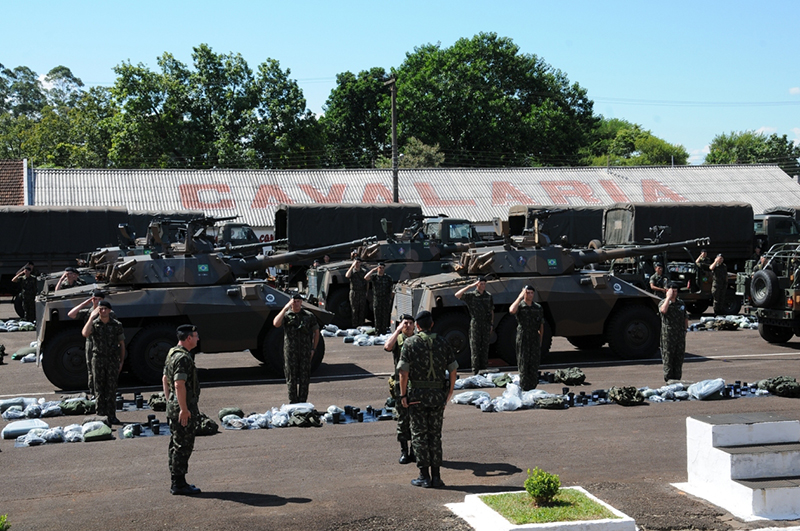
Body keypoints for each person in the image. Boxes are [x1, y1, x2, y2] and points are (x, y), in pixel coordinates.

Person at [397, 310, 457, 488]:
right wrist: (450, 391)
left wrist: (403, 395)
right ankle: (436, 476)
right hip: (438, 396)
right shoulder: (443, 342)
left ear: (417, 326)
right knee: (435, 435)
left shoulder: (410, 343)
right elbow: (453, 370)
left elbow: (403, 373)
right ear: (432, 324)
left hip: (417, 397)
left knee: (419, 435)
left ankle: (424, 475)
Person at [162, 324, 202, 496]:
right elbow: (178, 384)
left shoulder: (172, 353)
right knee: (183, 445)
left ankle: (178, 481)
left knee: (176, 444)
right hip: (182, 408)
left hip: (174, 405)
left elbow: (165, 378)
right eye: (195, 336)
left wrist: (169, 399)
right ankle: (178, 484)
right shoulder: (183, 358)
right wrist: (183, 409)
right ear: (188, 338)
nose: (198, 339)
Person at [81, 300, 125, 423]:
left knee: (111, 389)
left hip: (112, 360)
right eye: (101, 309)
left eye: (105, 308)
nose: (103, 311)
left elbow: (121, 344)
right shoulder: (94, 324)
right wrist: (91, 317)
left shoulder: (116, 325)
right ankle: (100, 415)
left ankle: (111, 415)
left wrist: (121, 361)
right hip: (98, 359)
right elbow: (85, 333)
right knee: (98, 389)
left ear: (110, 310)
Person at [273, 294, 320, 403]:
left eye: (299, 301)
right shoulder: (286, 315)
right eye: (294, 301)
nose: (297, 303)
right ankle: (293, 402)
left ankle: (303, 402)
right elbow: (276, 323)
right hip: (290, 352)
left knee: (304, 378)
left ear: (301, 302)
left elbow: (316, 332)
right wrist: (285, 308)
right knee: (291, 378)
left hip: (305, 352)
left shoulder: (308, 316)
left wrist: (313, 349)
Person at [384, 314, 416, 465]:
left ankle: (414, 451)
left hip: (416, 385)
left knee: (416, 419)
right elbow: (387, 347)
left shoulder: (418, 339)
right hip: (400, 385)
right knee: (403, 420)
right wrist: (397, 331)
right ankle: (404, 451)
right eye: (405, 323)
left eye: (410, 323)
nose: (408, 326)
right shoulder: (398, 339)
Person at [68, 289, 107, 396]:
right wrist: (85, 303)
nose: (97, 302)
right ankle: (94, 393)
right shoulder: (88, 312)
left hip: (103, 343)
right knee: (91, 369)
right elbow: (71, 314)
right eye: (95, 299)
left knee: (104, 368)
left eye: (99, 299)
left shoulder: (107, 313)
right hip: (90, 343)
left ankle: (104, 393)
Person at [455, 277, 494, 375]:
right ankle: (475, 371)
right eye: (481, 284)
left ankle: (484, 370)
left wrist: (491, 324)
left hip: (486, 324)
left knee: (485, 348)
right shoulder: (472, 296)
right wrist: (470, 286)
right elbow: (457, 295)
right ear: (477, 284)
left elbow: (491, 310)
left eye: (484, 284)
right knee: (475, 348)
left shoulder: (488, 296)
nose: (483, 286)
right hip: (476, 323)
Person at [509, 285, 544, 391]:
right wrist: (520, 297)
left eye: (531, 293)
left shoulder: (537, 307)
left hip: (534, 337)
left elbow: (541, 326)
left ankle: (533, 388)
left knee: (533, 364)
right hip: (523, 337)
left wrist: (540, 341)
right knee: (523, 363)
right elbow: (511, 310)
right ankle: (524, 388)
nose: (530, 295)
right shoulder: (520, 306)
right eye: (527, 292)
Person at [659, 283, 688, 382]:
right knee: (668, 360)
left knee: (679, 359)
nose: (674, 293)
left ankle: (677, 380)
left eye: (675, 291)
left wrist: (685, 330)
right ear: (667, 291)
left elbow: (685, 317)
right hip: (668, 337)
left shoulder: (681, 303)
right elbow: (663, 310)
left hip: (679, 336)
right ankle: (668, 381)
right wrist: (668, 298)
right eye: (672, 291)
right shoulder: (663, 303)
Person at [365, 262, 393, 334]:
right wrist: (373, 270)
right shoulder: (374, 277)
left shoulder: (388, 278)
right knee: (377, 316)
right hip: (377, 299)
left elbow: (391, 289)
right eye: (380, 268)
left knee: (385, 316)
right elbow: (366, 277)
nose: (381, 269)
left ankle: (384, 331)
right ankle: (378, 332)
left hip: (385, 300)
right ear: (377, 268)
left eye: (383, 268)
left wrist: (390, 299)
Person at [345, 258, 367, 327]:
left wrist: (366, 292)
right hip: (354, 292)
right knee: (354, 310)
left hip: (362, 292)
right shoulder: (352, 271)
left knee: (362, 309)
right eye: (356, 262)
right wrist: (352, 266)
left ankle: (361, 324)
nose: (357, 264)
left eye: (359, 262)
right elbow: (347, 275)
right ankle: (354, 325)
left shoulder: (363, 271)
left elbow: (367, 282)